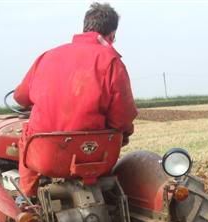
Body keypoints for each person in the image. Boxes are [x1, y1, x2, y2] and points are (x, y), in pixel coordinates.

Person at [13, 2, 137, 196]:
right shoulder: (111, 60)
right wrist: (123, 130)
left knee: (25, 137)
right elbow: (122, 115)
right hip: (94, 156)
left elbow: (20, 97)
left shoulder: (47, 56)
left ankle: (27, 198)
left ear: (85, 27)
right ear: (112, 35)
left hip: (46, 155)